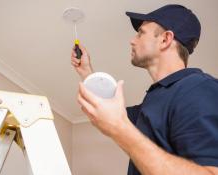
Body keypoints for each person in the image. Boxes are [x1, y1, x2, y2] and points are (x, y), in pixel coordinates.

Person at [71, 4, 218, 175]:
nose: (132, 40)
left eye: (141, 32)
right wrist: (87, 72)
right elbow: (107, 112)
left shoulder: (199, 89)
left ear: (165, 39)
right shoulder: (155, 100)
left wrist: (120, 129)